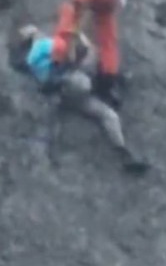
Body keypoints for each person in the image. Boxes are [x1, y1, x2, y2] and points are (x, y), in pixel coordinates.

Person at [9, 24, 149, 175]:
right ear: (33, 36)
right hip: (70, 85)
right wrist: (78, 39)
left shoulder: (30, 60)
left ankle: (124, 154)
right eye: (37, 31)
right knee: (89, 69)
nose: (41, 32)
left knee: (108, 114)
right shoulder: (43, 46)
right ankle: (110, 87)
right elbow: (71, 52)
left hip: (67, 95)